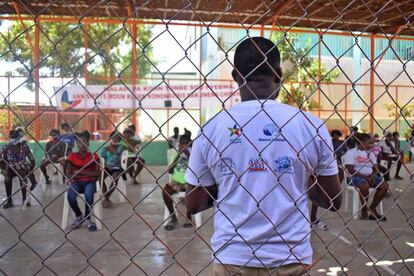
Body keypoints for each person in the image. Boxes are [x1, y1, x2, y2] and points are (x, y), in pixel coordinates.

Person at [184, 37, 342, 275]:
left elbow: (194, 203)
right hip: (291, 258)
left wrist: (229, 182)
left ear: (235, 75)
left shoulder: (212, 128)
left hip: (233, 258)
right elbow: (333, 200)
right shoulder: (311, 125)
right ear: (278, 73)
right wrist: (299, 178)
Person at [343, 133, 388, 221]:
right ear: (361, 143)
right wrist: (366, 178)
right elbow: (351, 170)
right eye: (369, 143)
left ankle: (372, 207)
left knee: (384, 186)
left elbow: (376, 168)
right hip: (354, 177)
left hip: (370, 177)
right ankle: (364, 209)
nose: (372, 145)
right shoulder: (351, 153)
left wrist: (372, 177)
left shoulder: (370, 153)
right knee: (364, 185)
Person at [310, 129, 345, 231]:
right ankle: (311, 218)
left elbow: (340, 153)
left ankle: (313, 218)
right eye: (335, 135)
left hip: (331, 165)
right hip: (319, 166)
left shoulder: (339, 143)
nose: (336, 137)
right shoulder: (327, 141)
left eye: (338, 136)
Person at [65, 131, 100, 231]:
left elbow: (97, 174)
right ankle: (79, 215)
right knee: (70, 196)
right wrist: (86, 174)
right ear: (76, 144)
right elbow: (68, 174)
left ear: (88, 143)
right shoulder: (72, 156)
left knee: (89, 194)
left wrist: (79, 173)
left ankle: (89, 219)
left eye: (84, 141)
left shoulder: (94, 156)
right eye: (79, 142)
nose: (82, 144)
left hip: (89, 182)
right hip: (76, 183)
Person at [0, 130, 37, 208]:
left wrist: (31, 169)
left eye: (16, 138)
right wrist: (4, 169)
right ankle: (9, 201)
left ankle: (25, 200)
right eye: (12, 138)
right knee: (7, 178)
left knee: (22, 175)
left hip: (22, 167)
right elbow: (2, 161)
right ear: (9, 138)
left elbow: (31, 159)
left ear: (19, 138)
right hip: (10, 168)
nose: (14, 140)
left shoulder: (24, 146)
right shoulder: (5, 147)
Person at [163, 134, 193, 230]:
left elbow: (197, 168)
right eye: (182, 143)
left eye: (186, 143)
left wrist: (188, 154)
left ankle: (188, 217)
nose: (183, 145)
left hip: (190, 181)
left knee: (192, 191)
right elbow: (170, 171)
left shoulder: (194, 153)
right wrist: (178, 157)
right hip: (177, 181)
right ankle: (173, 218)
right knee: (165, 191)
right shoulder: (176, 153)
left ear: (190, 143)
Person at [101, 131, 127, 207]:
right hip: (107, 167)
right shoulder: (104, 148)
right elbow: (103, 158)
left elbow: (116, 153)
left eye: (118, 138)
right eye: (114, 137)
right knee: (100, 177)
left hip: (117, 167)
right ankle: (106, 197)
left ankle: (106, 198)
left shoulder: (121, 147)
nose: (116, 139)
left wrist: (122, 138)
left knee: (115, 178)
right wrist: (106, 165)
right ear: (110, 138)